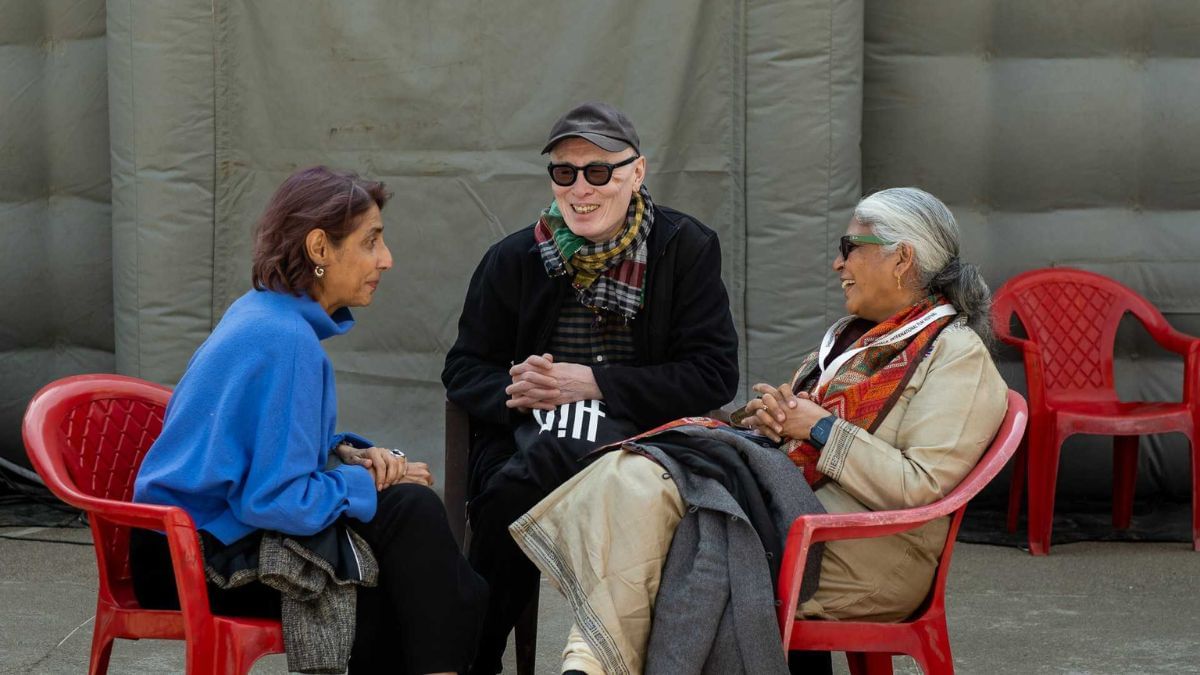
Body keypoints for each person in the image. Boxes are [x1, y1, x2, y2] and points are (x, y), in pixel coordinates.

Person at [508, 187, 1009, 674]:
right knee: (640, 472)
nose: (838, 264)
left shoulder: (955, 354)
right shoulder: (857, 339)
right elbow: (801, 430)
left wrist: (819, 428)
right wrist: (770, 421)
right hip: (794, 516)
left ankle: (588, 662)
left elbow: (919, 485)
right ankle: (588, 664)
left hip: (866, 553)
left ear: (902, 258)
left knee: (659, 504)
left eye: (850, 247)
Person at [132, 166, 487, 675]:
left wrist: (349, 455)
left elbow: (265, 450)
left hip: (178, 542)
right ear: (320, 248)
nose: (386, 259)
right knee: (411, 549)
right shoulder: (287, 340)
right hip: (194, 560)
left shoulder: (263, 312)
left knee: (413, 530)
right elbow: (275, 499)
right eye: (371, 242)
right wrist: (364, 481)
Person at [442, 102, 739, 674]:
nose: (580, 189)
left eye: (599, 171)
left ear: (637, 171)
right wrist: (518, 388)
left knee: (528, 479)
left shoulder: (684, 249)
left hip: (646, 447)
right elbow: (464, 369)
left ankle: (474, 659)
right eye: (565, 172)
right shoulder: (513, 258)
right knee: (519, 478)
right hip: (526, 439)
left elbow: (713, 374)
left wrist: (595, 383)